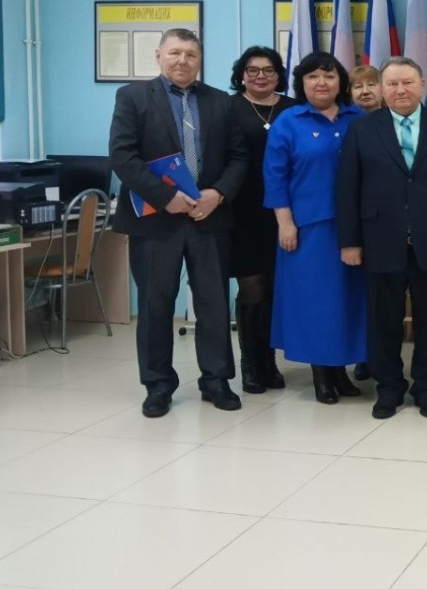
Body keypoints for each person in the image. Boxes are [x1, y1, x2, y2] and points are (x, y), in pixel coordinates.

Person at [109, 28, 247, 418]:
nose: (182, 60)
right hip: (156, 220)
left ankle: (216, 381)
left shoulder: (221, 102)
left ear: (200, 60)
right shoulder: (133, 97)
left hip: (209, 217)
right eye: (174, 53)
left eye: (190, 54)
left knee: (214, 303)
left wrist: (218, 194)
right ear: (158, 56)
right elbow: (122, 155)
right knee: (155, 304)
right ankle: (158, 385)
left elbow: (239, 157)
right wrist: (165, 197)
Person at [337, 57, 427, 419]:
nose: (400, 90)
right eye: (391, 84)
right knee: (383, 321)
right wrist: (350, 241)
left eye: (407, 82)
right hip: (380, 238)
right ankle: (389, 388)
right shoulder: (362, 129)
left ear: (422, 85)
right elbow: (348, 188)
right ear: (381, 89)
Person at [264, 52, 367, 405]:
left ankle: (340, 370)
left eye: (329, 75)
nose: (321, 82)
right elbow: (275, 177)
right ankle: (321, 374)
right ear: (301, 83)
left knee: (347, 301)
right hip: (307, 229)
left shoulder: (358, 118)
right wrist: (285, 223)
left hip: (354, 228)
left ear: (341, 82)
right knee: (315, 303)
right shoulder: (288, 122)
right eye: (312, 76)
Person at [227, 45, 296, 394]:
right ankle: (251, 364)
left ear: (278, 74)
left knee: (275, 288)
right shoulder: (228, 108)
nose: (260, 76)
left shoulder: (293, 108)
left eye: (268, 70)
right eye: (252, 70)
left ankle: (269, 362)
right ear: (242, 74)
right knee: (252, 286)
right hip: (241, 211)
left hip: (284, 212)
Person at [347, 64, 382, 382]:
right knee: (357, 295)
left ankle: (375, 355)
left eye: (372, 84)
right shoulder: (345, 123)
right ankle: (360, 354)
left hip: (388, 222)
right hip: (354, 220)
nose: (365, 91)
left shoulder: (397, 120)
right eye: (358, 86)